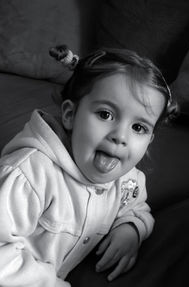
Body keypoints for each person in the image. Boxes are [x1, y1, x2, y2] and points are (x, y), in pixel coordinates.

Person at [0, 45, 176, 287]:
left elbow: (135, 206)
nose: (120, 136)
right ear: (70, 115)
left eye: (139, 128)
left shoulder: (128, 181)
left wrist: (132, 229)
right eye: (105, 114)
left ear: (149, 141)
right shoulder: (30, 175)